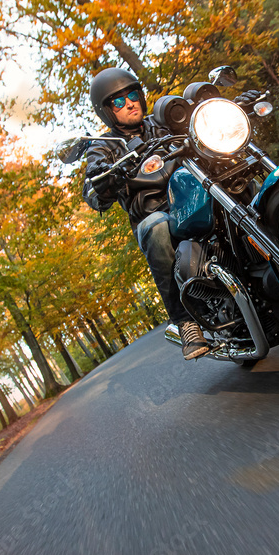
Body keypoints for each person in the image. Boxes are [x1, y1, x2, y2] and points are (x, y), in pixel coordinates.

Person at [81, 68, 211, 359]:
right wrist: (103, 179)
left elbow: (196, 120)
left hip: (195, 194)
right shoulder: (104, 146)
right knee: (157, 227)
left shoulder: (165, 120)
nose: (129, 103)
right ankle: (185, 321)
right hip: (157, 213)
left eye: (131, 94)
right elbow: (91, 188)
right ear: (107, 112)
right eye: (118, 101)